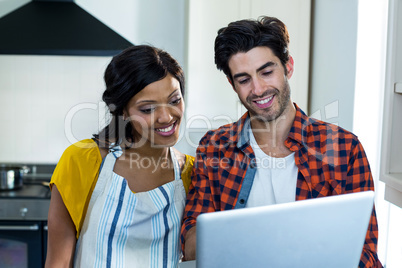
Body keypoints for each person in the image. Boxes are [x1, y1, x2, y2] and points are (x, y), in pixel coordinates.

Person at [180, 16, 382, 267]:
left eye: (266, 72)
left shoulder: (344, 148)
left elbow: (367, 255)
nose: (258, 89)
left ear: (288, 66)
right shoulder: (214, 146)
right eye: (244, 79)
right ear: (232, 84)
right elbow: (191, 245)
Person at [45, 45, 194, 268]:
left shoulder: (191, 172)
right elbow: (58, 262)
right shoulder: (82, 161)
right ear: (123, 111)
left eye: (174, 101)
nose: (166, 117)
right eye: (147, 109)